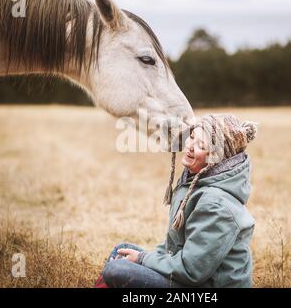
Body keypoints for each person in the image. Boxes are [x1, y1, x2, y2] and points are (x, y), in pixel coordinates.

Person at [95, 114, 258, 288]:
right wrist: (145, 259)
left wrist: (143, 259)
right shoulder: (194, 182)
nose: (189, 146)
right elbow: (173, 248)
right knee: (121, 250)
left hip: (204, 285)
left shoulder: (216, 204)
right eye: (192, 137)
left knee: (118, 269)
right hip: (188, 274)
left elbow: (191, 270)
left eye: (201, 145)